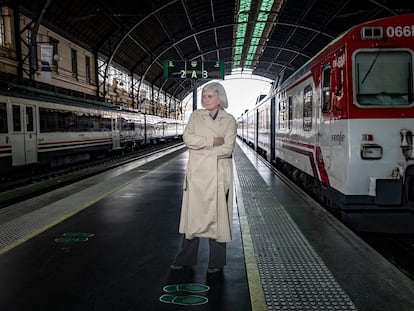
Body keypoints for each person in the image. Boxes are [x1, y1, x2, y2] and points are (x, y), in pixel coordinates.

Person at [171, 82, 237, 274]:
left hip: (217, 176)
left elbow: (227, 148)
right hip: (197, 176)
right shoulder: (195, 116)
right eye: (203, 96)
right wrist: (211, 141)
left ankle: (216, 262)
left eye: (209, 96)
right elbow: (187, 139)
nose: (205, 100)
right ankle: (186, 258)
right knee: (193, 218)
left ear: (220, 98)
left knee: (218, 220)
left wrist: (200, 150)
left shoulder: (229, 120)